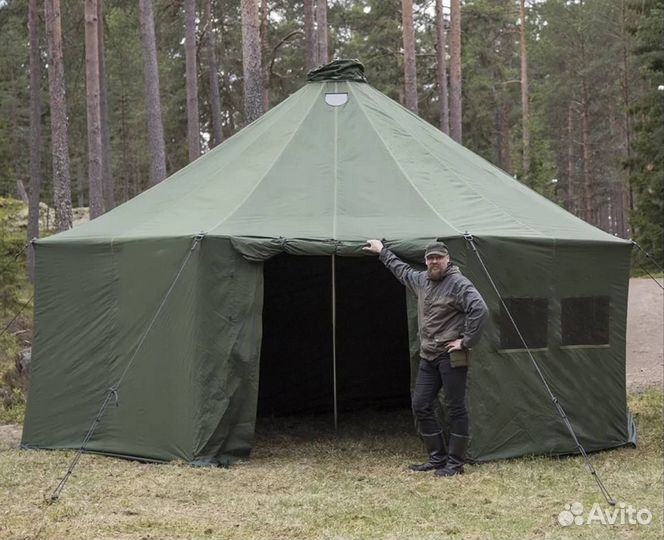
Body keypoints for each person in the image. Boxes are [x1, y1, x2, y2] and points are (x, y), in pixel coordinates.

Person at [363, 239, 488, 476]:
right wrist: (382, 251)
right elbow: (402, 270)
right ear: (426, 261)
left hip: (451, 357)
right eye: (430, 258)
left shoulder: (459, 283)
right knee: (421, 405)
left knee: (455, 408)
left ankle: (455, 464)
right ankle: (437, 458)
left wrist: (466, 341)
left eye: (438, 258)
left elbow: (479, 309)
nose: (434, 262)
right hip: (428, 357)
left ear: (447, 259)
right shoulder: (422, 280)